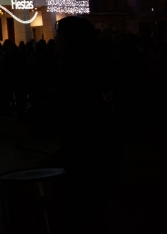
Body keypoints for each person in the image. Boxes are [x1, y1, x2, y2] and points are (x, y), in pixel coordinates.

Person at [55, 16, 122, 234]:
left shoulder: (74, 65)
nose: (56, 38)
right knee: (97, 207)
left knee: (85, 208)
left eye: (60, 34)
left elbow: (73, 109)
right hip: (104, 142)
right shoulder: (99, 60)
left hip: (84, 148)